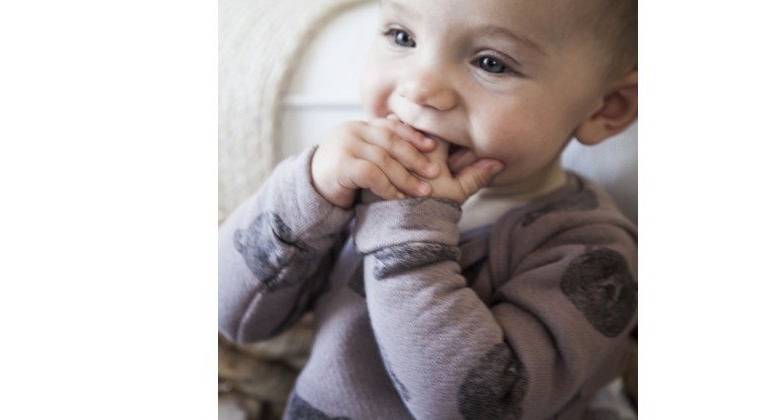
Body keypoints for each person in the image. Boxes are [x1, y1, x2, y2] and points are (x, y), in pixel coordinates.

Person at [218, 0, 636, 417]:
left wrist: (410, 232)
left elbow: (478, 407)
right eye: (403, 37)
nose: (418, 87)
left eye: (490, 63)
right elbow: (235, 319)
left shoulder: (595, 258)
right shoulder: (357, 180)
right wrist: (307, 189)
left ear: (607, 108)